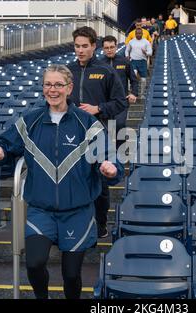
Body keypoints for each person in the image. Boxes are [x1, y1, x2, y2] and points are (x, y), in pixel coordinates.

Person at [0, 64, 124, 299]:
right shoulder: (31, 120)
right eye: (48, 84)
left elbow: (110, 156)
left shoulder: (87, 123)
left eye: (58, 84)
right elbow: (4, 144)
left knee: (71, 274)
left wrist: (112, 168)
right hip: (41, 210)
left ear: (69, 88)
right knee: (35, 263)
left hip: (77, 211)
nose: (53, 89)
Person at [67, 26, 127, 239]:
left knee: (100, 182)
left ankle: (100, 224)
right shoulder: (67, 71)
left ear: (94, 46)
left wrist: (98, 108)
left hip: (98, 136)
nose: (80, 50)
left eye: (85, 46)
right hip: (70, 137)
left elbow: (120, 102)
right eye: (77, 46)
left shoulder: (106, 71)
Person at [100, 35, 139, 146]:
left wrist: (133, 93)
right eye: (106, 48)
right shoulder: (99, 64)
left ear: (116, 46)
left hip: (121, 101)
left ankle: (120, 154)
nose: (109, 50)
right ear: (103, 49)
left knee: (120, 126)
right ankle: (106, 156)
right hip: (104, 103)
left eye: (112, 47)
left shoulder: (124, 62)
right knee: (104, 129)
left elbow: (134, 80)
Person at [125, 28, 152, 98]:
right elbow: (126, 50)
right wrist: (127, 56)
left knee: (143, 80)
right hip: (133, 61)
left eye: (140, 33)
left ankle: (142, 94)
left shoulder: (146, 42)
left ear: (142, 34)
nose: (138, 34)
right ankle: (132, 92)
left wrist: (145, 52)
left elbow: (150, 52)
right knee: (134, 74)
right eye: (137, 33)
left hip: (143, 62)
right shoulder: (131, 42)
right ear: (135, 33)